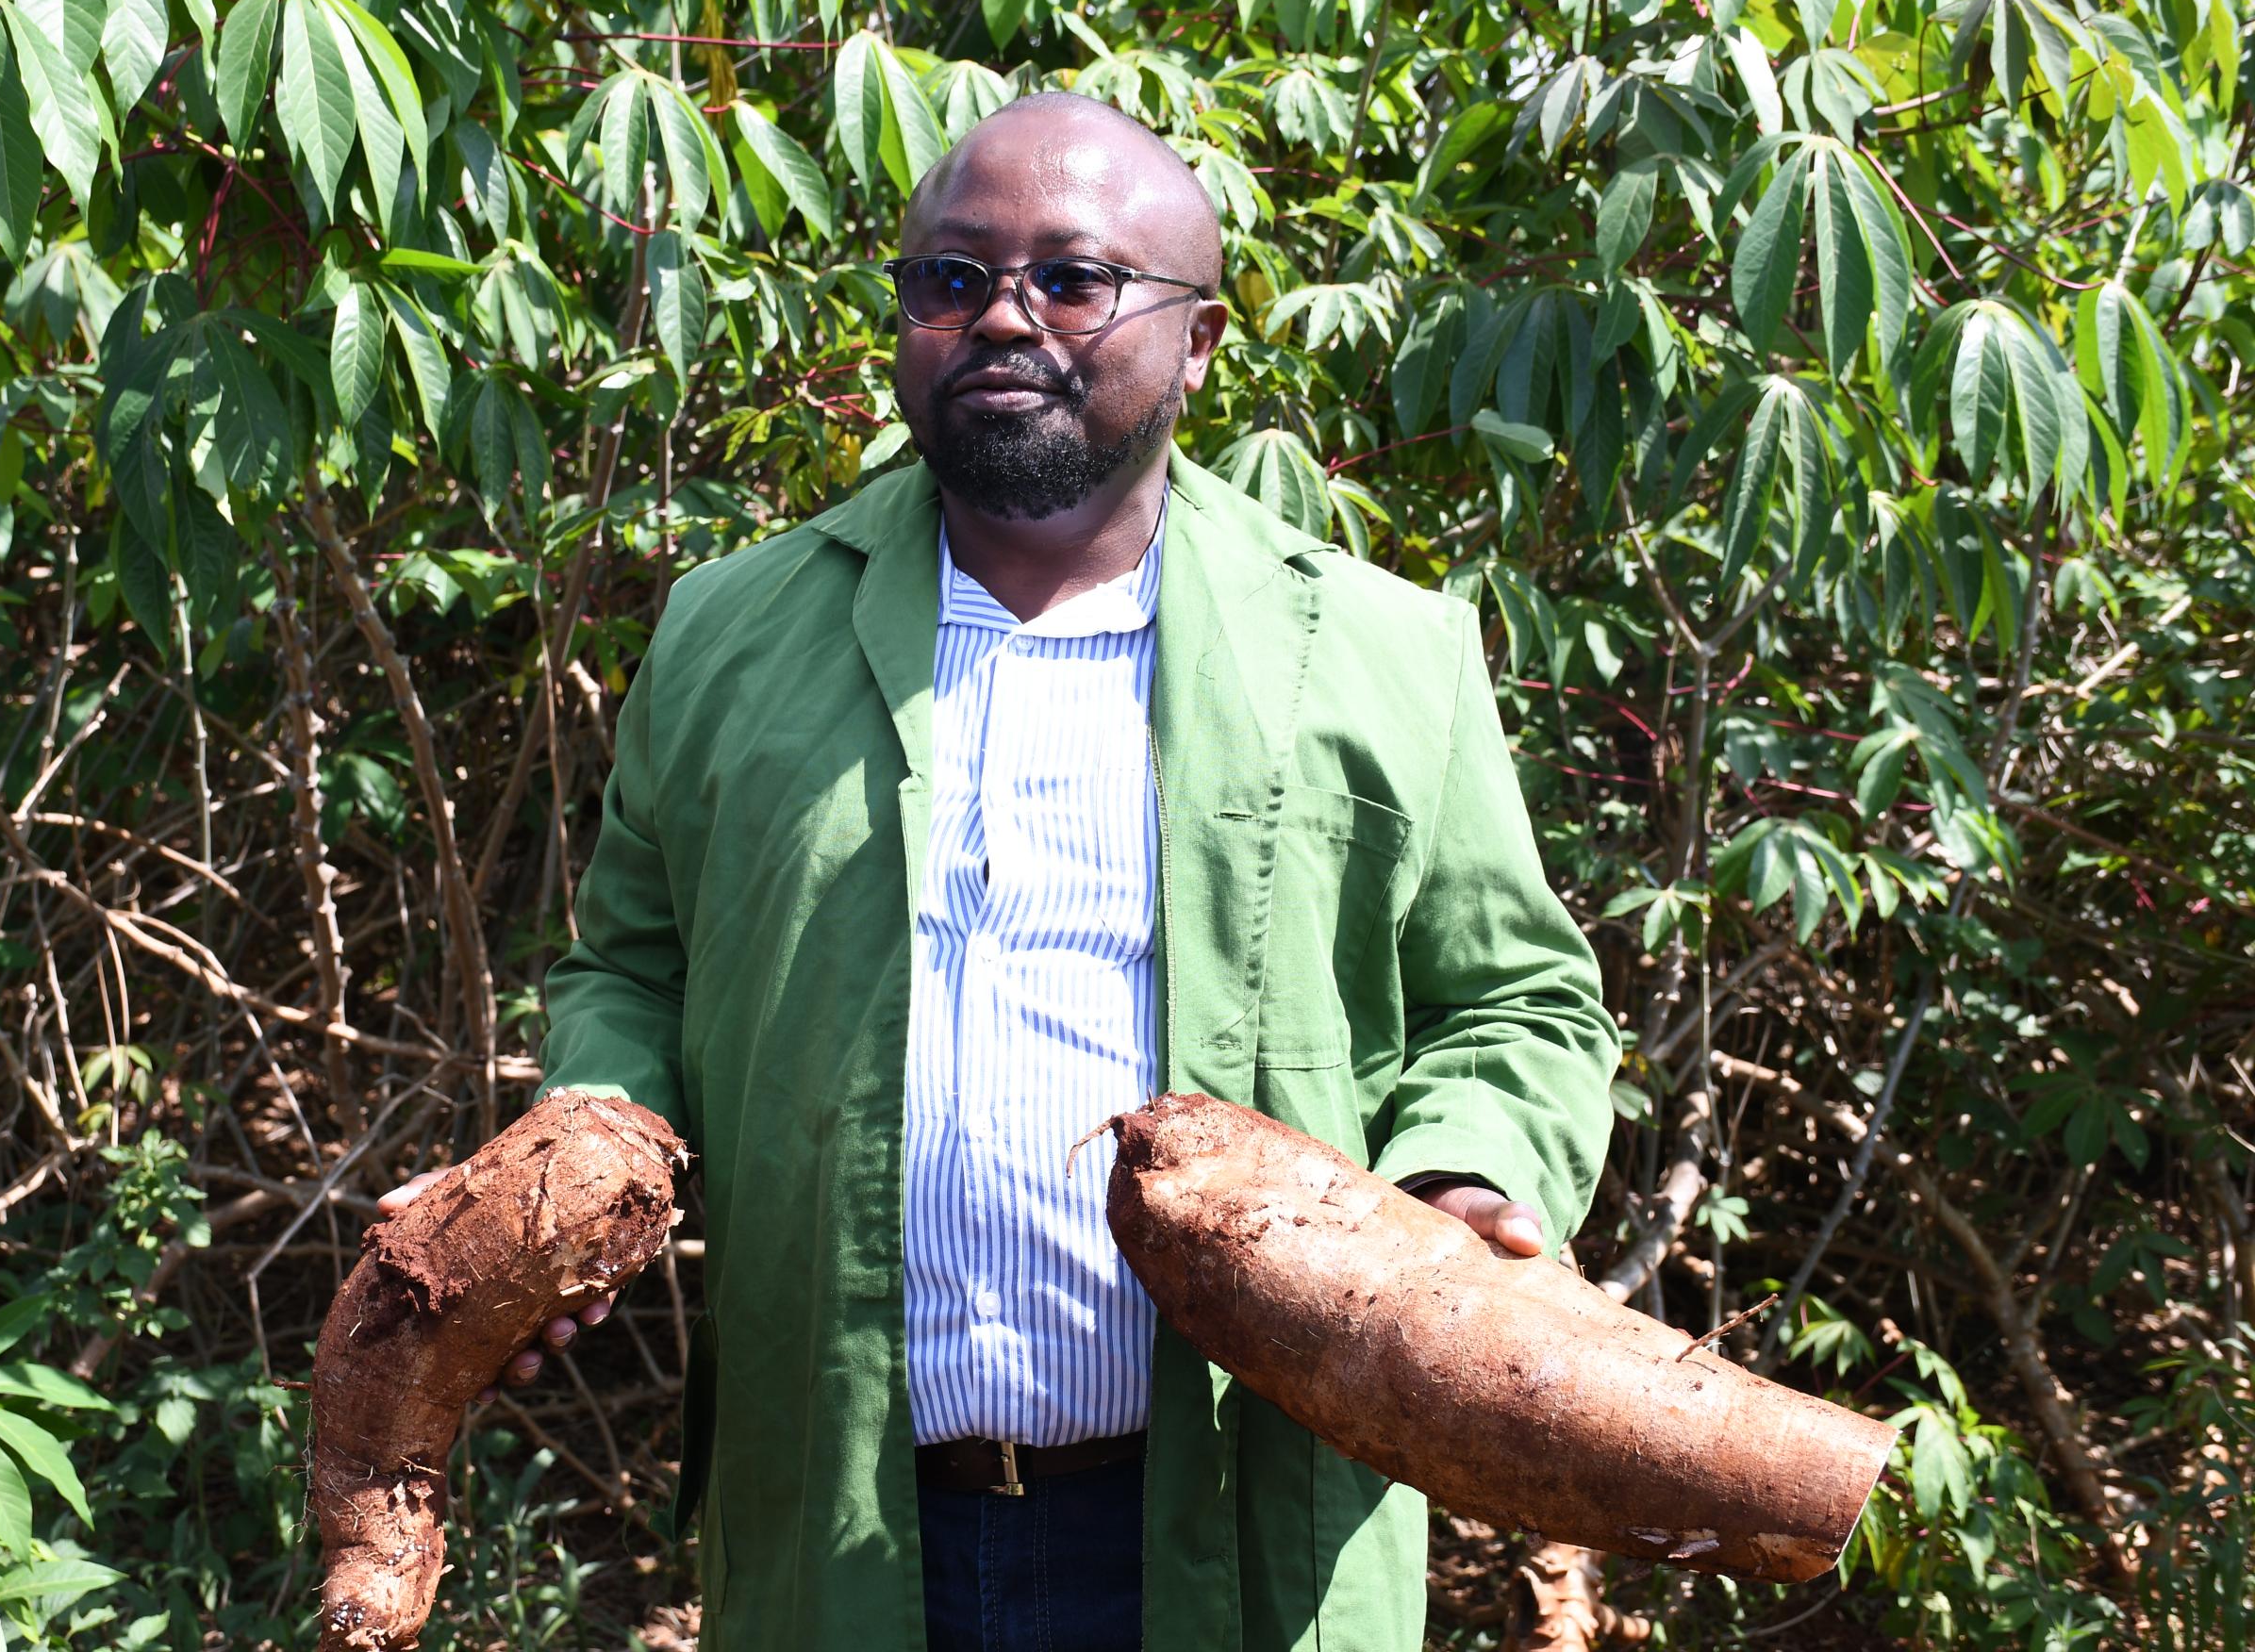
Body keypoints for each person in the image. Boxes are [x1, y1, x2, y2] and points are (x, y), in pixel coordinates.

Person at [381, 92, 1619, 1652]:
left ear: (1201, 337)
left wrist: (1464, 1186)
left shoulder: (1379, 651)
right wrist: (578, 1164)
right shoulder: (729, 630)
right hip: (844, 1526)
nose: (1004, 320)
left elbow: (1517, 1003)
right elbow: (631, 966)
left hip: (1238, 1529)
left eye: (1074, 281)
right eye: (950, 281)